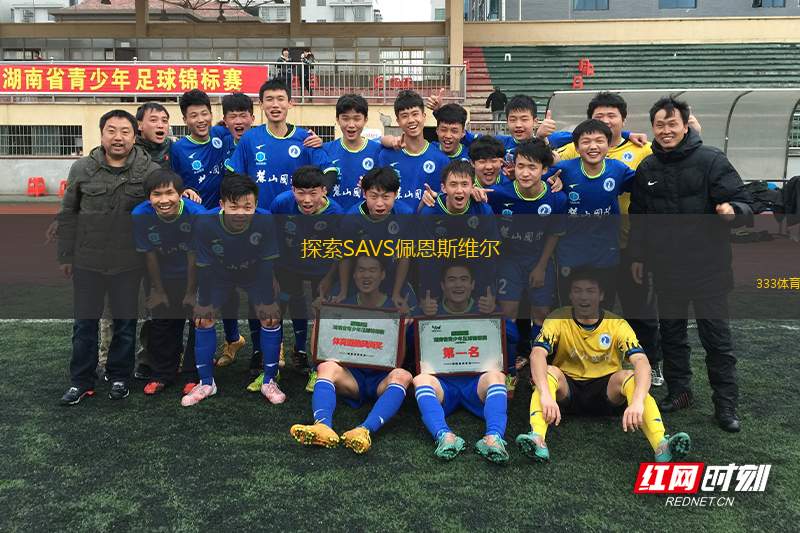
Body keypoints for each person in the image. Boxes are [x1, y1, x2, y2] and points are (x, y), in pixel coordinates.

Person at [629, 96, 752, 432]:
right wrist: (637, 256)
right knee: (671, 336)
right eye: (660, 125)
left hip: (708, 268)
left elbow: (743, 202)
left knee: (717, 339)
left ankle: (726, 404)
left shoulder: (711, 159)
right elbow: (639, 218)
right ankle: (680, 392)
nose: (666, 130)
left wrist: (732, 211)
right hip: (666, 269)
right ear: (653, 128)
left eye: (672, 124)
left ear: (686, 126)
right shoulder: (647, 168)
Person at [516, 269, 692, 463]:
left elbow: (641, 362)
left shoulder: (616, 324)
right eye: (577, 290)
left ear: (601, 295)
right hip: (568, 391)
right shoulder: (558, 318)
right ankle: (537, 439)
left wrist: (637, 401)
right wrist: (546, 394)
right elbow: (537, 354)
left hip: (607, 392)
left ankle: (661, 444)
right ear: (570, 295)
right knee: (549, 372)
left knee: (629, 376)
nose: (584, 297)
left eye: (590, 291)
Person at [557, 91, 664, 386]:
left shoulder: (638, 151)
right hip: (582, 249)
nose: (605, 122)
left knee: (635, 307)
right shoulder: (570, 157)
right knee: (583, 304)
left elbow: (656, 175)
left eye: (611, 116)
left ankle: (649, 362)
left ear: (623, 120)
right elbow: (546, 158)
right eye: (599, 117)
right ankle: (582, 361)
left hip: (629, 244)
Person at [57, 109, 161, 405]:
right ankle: (81, 380)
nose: (118, 137)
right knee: (84, 324)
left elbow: (161, 206)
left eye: (125, 131)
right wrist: (65, 255)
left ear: (134, 136)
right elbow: (68, 212)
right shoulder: (82, 168)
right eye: (111, 131)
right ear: (102, 134)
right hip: (87, 260)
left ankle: (119, 377)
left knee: (125, 324)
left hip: (129, 263)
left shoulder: (149, 170)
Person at [290, 256, 413, 454]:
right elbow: (318, 354)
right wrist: (319, 319)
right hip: (353, 378)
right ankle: (322, 426)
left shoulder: (394, 308)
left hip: (380, 380)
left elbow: (397, 360)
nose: (366, 275)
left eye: (372, 270)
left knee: (403, 375)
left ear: (382, 275)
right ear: (354, 275)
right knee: (326, 367)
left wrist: (403, 327)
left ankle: (364, 430)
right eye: (361, 270)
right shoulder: (342, 306)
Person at [184, 174, 285, 406]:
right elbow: (204, 266)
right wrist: (203, 302)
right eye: (234, 207)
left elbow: (267, 263)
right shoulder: (205, 223)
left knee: (270, 317)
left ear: (256, 205)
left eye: (247, 207)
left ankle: (269, 380)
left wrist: (268, 300)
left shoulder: (266, 220)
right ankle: (206, 383)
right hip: (220, 274)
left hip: (254, 273)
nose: (241, 213)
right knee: (203, 318)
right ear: (222, 204)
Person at [170, 89, 246, 370]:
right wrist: (183, 190)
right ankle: (193, 351)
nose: (200, 119)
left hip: (227, 223)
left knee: (229, 283)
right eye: (194, 115)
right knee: (200, 285)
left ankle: (232, 338)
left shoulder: (222, 134)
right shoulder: (178, 149)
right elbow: (173, 183)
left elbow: (242, 129)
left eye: (204, 113)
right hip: (198, 226)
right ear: (185, 119)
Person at [255, 166, 344, 392]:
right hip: (288, 266)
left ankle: (317, 369)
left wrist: (329, 279)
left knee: (321, 314)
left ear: (324, 191)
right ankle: (273, 370)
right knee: (281, 308)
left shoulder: (336, 213)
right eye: (301, 193)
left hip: (321, 270)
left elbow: (341, 251)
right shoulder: (281, 204)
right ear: (292, 189)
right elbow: (270, 239)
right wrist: (272, 275)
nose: (306, 200)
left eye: (313, 193)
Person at [413, 263, 510, 463]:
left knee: (497, 376)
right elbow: (405, 343)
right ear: (442, 285)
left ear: (472, 284)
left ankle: (494, 438)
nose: (458, 285)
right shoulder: (431, 309)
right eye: (452, 279)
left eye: (464, 279)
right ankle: (444, 436)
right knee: (421, 379)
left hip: (476, 384)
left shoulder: (484, 308)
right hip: (443, 385)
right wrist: (420, 317)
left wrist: (495, 314)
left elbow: (514, 336)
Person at [486, 140, 567, 367]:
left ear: (544, 169)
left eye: (532, 167)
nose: (525, 172)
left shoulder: (556, 198)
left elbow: (554, 234)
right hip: (508, 261)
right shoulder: (499, 194)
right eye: (521, 166)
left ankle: (538, 365)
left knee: (541, 313)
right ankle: (509, 365)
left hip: (539, 260)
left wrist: (541, 266)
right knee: (508, 312)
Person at [132, 169, 205, 394]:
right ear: (148, 197)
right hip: (162, 275)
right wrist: (158, 289)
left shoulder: (197, 214)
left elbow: (194, 255)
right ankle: (163, 374)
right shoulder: (140, 214)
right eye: (157, 194)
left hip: (196, 274)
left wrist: (191, 293)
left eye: (169, 193)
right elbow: (149, 253)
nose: (164, 200)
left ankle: (192, 374)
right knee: (162, 322)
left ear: (181, 194)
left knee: (198, 322)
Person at [549, 119, 635, 309]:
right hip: (570, 254)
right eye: (586, 142)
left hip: (606, 254)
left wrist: (627, 135)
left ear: (609, 145)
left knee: (604, 307)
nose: (593, 146)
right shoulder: (564, 170)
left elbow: (644, 183)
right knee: (570, 308)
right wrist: (551, 182)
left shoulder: (618, 169)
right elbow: (538, 181)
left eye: (599, 141)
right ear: (577, 147)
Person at [225, 78, 322, 209]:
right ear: (261, 104)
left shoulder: (306, 138)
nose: (275, 105)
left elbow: (328, 171)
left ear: (290, 103)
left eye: (280, 99)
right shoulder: (249, 138)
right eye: (269, 99)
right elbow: (232, 177)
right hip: (259, 215)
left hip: (296, 215)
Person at [377, 90, 451, 211]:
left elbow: (446, 198)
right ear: (398, 121)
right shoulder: (386, 156)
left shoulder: (441, 160)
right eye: (404, 116)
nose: (411, 120)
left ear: (424, 116)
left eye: (415, 114)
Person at [312, 93, 385, 211]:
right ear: (337, 119)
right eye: (345, 119)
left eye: (357, 119)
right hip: (333, 216)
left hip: (364, 217)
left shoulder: (378, 151)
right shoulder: (325, 150)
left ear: (365, 119)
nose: (351, 125)